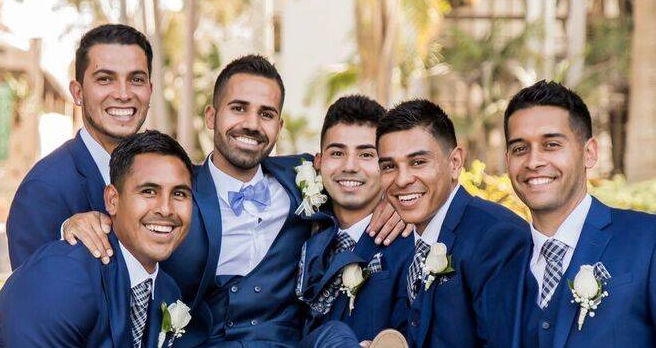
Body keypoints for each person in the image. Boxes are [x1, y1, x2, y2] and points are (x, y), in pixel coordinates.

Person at [67, 55, 407, 347]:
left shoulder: (303, 178)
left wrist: (390, 198)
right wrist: (74, 223)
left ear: (279, 125)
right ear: (212, 117)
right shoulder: (176, 194)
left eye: (266, 114)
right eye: (239, 108)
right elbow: (128, 223)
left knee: (335, 333)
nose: (251, 124)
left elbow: (356, 173)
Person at [0, 131, 193, 347]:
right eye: (148, 191)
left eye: (179, 194)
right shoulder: (64, 278)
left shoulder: (167, 289)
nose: (166, 209)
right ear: (112, 200)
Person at [492, 80, 656, 347]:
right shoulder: (501, 259)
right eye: (520, 149)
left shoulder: (648, 241)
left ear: (589, 153)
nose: (533, 162)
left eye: (551, 145)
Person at [376, 99, 528, 348]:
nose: (402, 180)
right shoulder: (402, 240)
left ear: (455, 162)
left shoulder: (497, 237)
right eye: (389, 166)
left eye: (418, 162)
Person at [6, 24, 153, 269]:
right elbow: (29, 300)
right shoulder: (42, 190)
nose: (124, 94)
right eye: (105, 79)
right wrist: (64, 236)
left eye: (136, 79)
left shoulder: (164, 175)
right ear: (78, 92)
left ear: (150, 89)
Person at [297, 95, 413, 346]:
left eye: (366, 154)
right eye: (337, 152)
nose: (350, 166)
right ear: (318, 162)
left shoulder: (408, 240)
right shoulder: (298, 225)